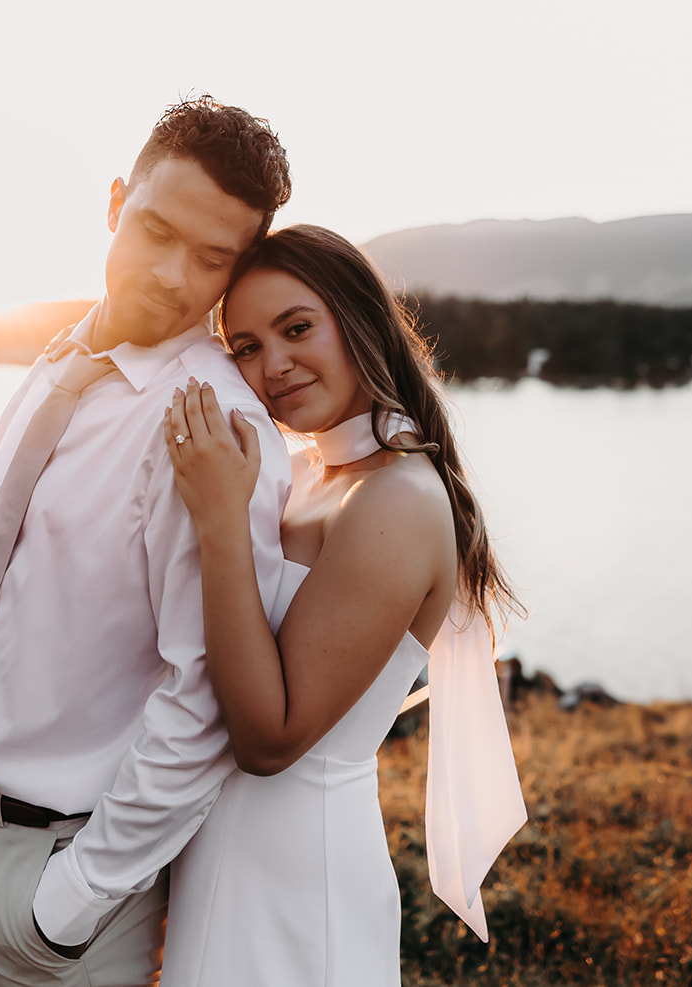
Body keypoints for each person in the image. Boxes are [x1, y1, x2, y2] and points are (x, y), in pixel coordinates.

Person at [0, 97, 294, 987]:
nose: (173, 276)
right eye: (155, 231)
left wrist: (75, 895)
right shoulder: (57, 362)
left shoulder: (212, 424)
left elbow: (208, 698)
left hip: (54, 882)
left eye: (212, 257)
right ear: (116, 203)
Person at [159, 224, 528, 986]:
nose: (275, 366)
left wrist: (221, 522)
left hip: (299, 864)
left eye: (297, 328)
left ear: (358, 318)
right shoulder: (303, 470)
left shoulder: (395, 500)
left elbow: (271, 740)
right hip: (227, 848)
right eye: (248, 347)